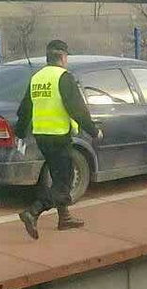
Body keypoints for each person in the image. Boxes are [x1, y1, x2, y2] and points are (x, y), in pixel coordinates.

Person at [16, 40, 101, 240]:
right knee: (64, 181)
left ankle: (65, 218)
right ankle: (33, 212)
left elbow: (25, 108)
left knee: (59, 176)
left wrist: (20, 132)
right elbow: (77, 109)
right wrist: (93, 131)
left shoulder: (37, 78)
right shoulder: (64, 77)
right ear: (62, 57)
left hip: (41, 136)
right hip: (59, 136)